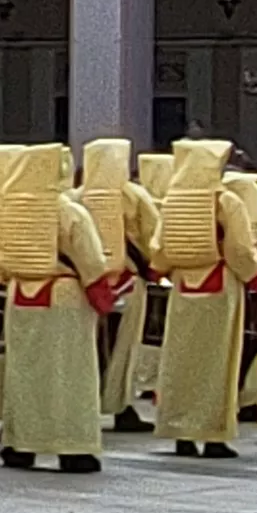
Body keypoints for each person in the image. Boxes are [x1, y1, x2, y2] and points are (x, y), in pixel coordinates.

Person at [0, 143, 117, 473]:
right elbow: (90, 259)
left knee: (23, 372)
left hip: (19, 293)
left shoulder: (9, 209)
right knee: (68, 372)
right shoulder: (68, 211)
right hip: (63, 294)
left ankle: (20, 443)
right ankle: (71, 447)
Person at [146, 139, 256, 456]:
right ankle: (212, 433)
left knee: (180, 356)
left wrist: (169, 269)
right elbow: (240, 249)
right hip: (220, 283)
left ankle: (180, 429)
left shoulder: (173, 202)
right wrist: (250, 272)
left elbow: (159, 249)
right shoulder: (226, 202)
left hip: (183, 285)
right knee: (217, 360)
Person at [81, 140, 157, 434]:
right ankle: (121, 405)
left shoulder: (77, 196)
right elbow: (153, 236)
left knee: (90, 344)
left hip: (88, 284)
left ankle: (88, 400)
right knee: (125, 346)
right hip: (128, 280)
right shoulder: (135, 196)